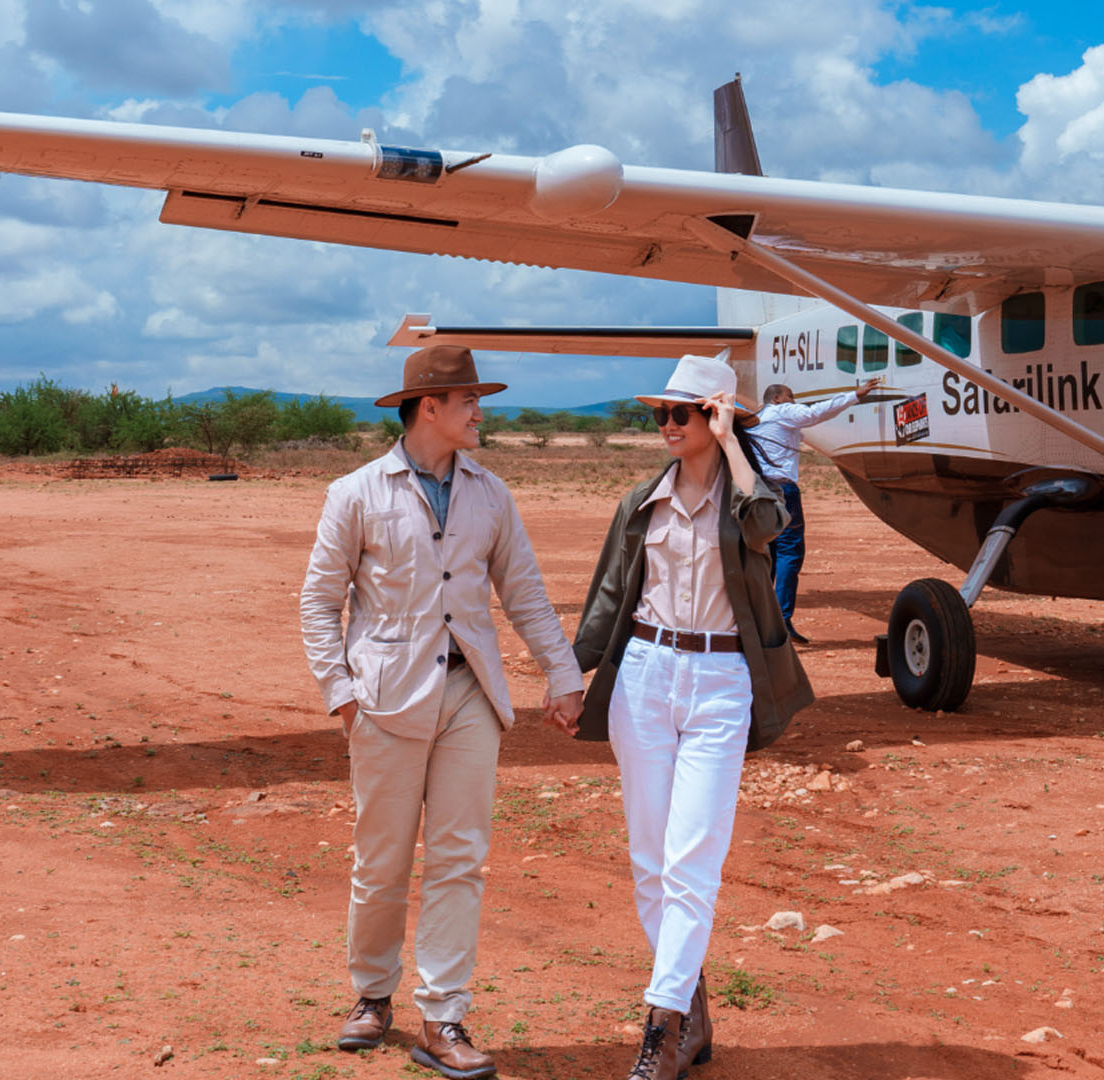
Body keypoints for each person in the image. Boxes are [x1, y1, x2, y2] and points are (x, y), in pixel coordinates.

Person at [300, 344, 585, 1080]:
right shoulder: (356, 493)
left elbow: (524, 591)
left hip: (469, 696)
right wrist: (341, 695)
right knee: (382, 860)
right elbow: (319, 602)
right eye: (469, 401)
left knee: (460, 859)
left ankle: (443, 1016)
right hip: (386, 699)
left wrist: (563, 675)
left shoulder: (491, 494)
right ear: (430, 408)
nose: (480, 412)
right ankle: (372, 994)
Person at [566, 353, 814, 1080]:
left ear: (715, 416)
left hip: (720, 681)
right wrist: (568, 675)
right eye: (662, 414)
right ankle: (692, 1006)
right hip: (644, 675)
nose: (668, 425)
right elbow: (608, 596)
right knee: (650, 863)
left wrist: (734, 443)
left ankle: (661, 1026)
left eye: (684, 413)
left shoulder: (748, 499)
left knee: (692, 861)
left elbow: (770, 526)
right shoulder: (641, 501)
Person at [744, 376, 883, 643]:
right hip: (783, 491)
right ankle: (781, 620)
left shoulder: (755, 420)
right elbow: (815, 413)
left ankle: (758, 620)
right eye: (790, 396)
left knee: (766, 552)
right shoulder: (782, 411)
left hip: (758, 491)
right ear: (777, 398)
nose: (794, 401)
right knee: (789, 551)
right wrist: (855, 395)